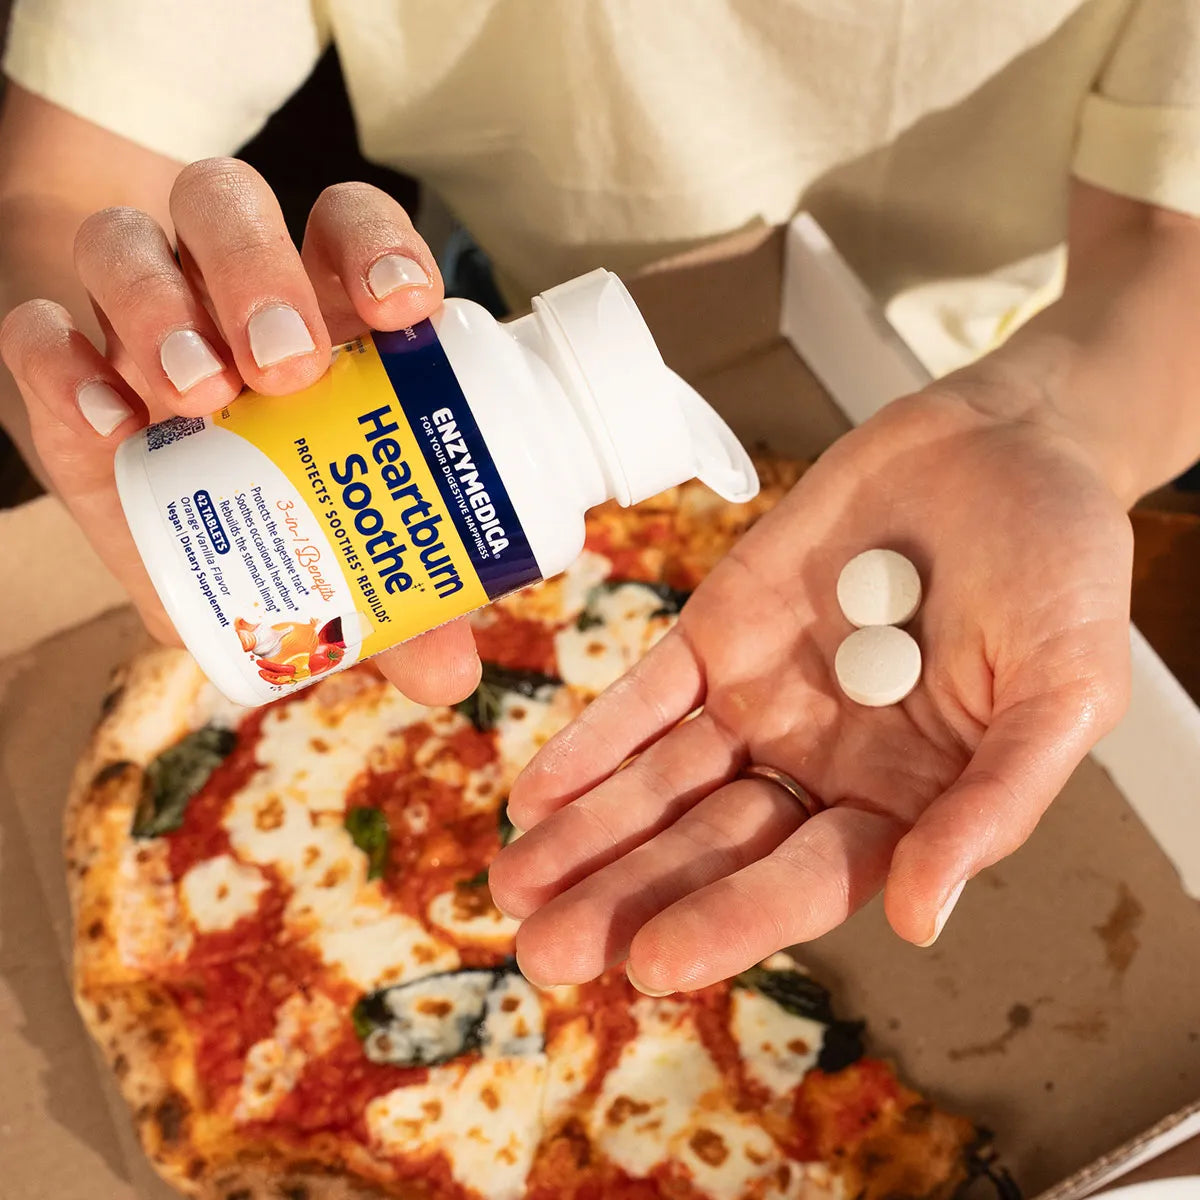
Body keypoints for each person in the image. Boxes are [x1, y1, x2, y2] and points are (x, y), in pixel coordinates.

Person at [1, 2, 1198, 1000]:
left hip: (1002, 363)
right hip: (471, 299)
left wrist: (1050, 431)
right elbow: (61, 186)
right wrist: (128, 392)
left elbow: (1171, 231)